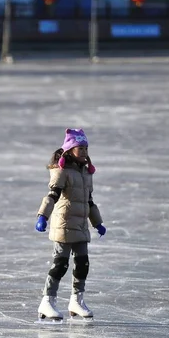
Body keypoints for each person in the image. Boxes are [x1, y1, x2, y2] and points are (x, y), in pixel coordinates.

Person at [35, 128, 107, 322]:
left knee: (83, 263)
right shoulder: (62, 171)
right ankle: (47, 301)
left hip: (81, 225)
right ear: (69, 150)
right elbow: (52, 196)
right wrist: (43, 216)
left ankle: (77, 300)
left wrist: (98, 223)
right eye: (79, 148)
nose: (84, 151)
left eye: (85, 148)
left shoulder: (85, 173)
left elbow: (89, 201)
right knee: (61, 264)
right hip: (63, 225)